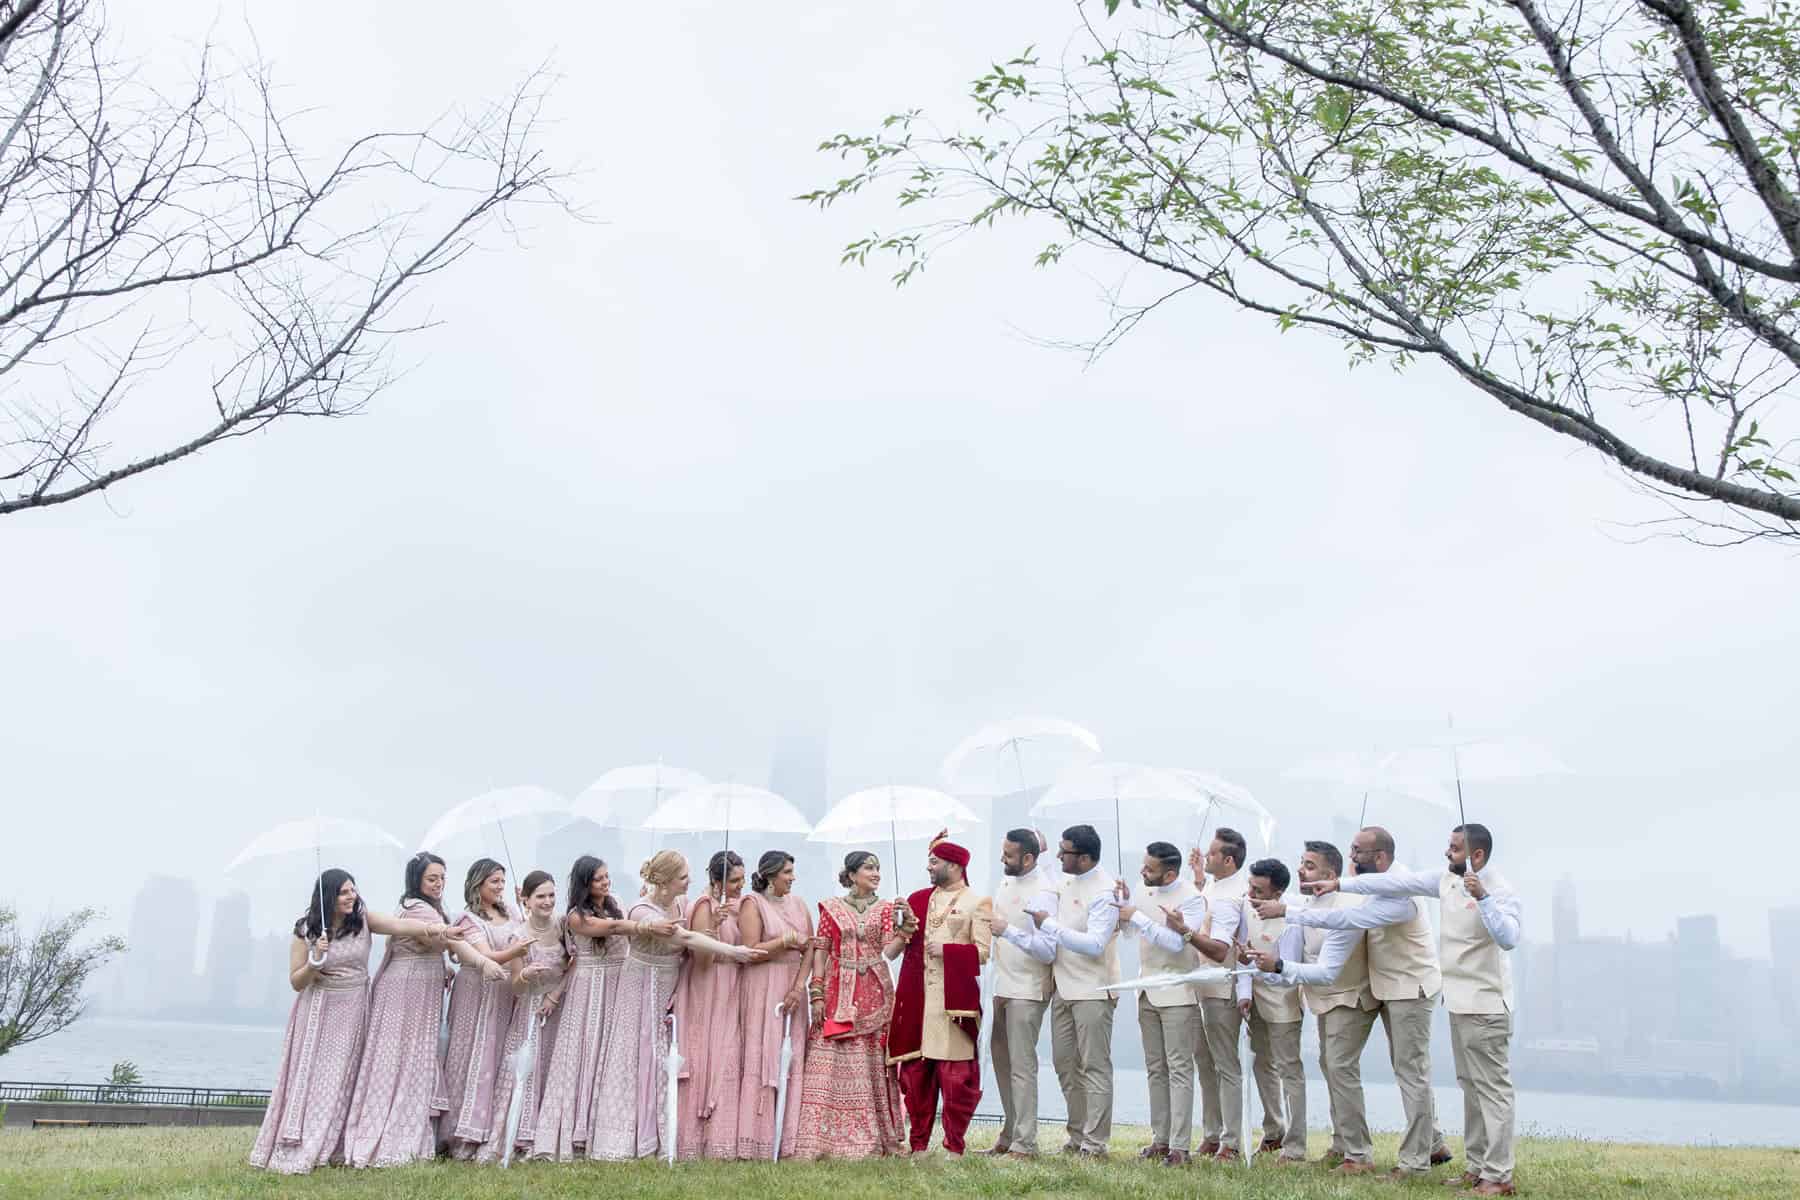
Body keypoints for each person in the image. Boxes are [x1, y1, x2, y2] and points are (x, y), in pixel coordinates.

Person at [1307, 823, 1522, 1196]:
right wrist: (1341, 885)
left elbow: (1508, 938)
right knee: (1470, 1085)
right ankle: (1476, 1166)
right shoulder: (1445, 880)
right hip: (1457, 999)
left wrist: (1484, 897)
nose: (1446, 852)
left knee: (1491, 1089)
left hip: (1486, 1003)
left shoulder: (1499, 890)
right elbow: (1388, 885)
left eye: (1454, 848)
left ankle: (1499, 1175)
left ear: (1478, 856)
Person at [1249, 825, 1451, 1179]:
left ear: (1381, 857)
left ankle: (1406, 1161)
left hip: (1408, 987)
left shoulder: (1400, 893)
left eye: (1358, 852)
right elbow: (1340, 897)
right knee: (1352, 1067)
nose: (1352, 858)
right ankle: (1425, 1144)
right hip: (1381, 987)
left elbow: (1346, 919)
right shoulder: (1371, 883)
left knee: (1407, 1072)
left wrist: (1285, 921)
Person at [250, 869, 459, 1175]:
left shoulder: (362, 919)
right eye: (344, 892)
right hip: (319, 1010)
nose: (351, 897)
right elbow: (296, 981)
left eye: (353, 891)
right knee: (315, 1078)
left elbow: (400, 925)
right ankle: (301, 1142)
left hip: (356, 1009)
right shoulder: (306, 930)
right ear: (328, 897)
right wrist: (314, 961)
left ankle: (336, 1145)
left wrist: (439, 931)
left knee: (345, 1077)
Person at [590, 850, 761, 1161]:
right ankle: (625, 1135)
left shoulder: (680, 903)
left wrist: (714, 920)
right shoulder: (644, 911)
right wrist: (735, 951)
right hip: (641, 985)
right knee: (637, 1054)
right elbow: (687, 938)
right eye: (683, 877)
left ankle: (660, 1130)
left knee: (661, 1058)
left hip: (668, 985)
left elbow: (698, 924)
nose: (689, 881)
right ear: (666, 881)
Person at [343, 851, 495, 1168]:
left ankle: (408, 1128)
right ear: (417, 881)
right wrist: (482, 961)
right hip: (407, 990)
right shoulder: (417, 908)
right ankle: (393, 1132)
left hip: (420, 987)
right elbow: (449, 942)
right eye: (431, 878)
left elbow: (439, 946)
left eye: (442, 878)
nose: (439, 884)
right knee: (403, 1057)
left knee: (415, 1056)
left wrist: (443, 965)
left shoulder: (431, 908)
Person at [790, 850, 910, 1160]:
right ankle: (821, 1139)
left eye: (878, 867)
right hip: (836, 991)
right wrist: (815, 992)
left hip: (874, 991)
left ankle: (874, 1136)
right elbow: (821, 950)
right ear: (852, 874)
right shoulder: (831, 908)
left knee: (873, 1061)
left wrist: (905, 932)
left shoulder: (886, 909)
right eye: (870, 867)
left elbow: (890, 951)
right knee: (829, 1055)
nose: (876, 873)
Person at [886, 834, 992, 1157]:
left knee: (956, 1078)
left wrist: (947, 950)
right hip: (917, 999)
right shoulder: (917, 900)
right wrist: (901, 924)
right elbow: (895, 947)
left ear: (955, 865)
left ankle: (954, 1147)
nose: (928, 867)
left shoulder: (978, 901)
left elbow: (984, 953)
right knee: (917, 1076)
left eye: (935, 862)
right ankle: (917, 1144)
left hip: (953, 1003)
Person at [1025, 823, 1120, 1158]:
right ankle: (1077, 1134)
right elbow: (1048, 865)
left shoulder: (1106, 892)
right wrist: (1045, 846)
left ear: (1085, 858)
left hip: (1094, 990)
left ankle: (1096, 1143)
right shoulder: (1066, 877)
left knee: (1095, 1065)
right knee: (1065, 1063)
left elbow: (1094, 944)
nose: (1060, 856)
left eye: (1066, 851)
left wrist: (1047, 925)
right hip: (1062, 987)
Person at [529, 856, 631, 1160]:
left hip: (617, 983)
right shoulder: (575, 916)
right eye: (599, 878)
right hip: (588, 989)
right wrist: (646, 926)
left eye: (607, 876)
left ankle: (607, 1128)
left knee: (611, 1055)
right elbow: (607, 929)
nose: (606, 882)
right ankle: (574, 1131)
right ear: (585, 883)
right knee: (583, 1054)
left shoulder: (616, 903)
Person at [1114, 841, 1205, 1166]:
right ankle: (1160, 1139)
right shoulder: (1142, 889)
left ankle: (1181, 1146)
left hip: (1178, 992)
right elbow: (1128, 933)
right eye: (1143, 865)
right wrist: (1125, 906)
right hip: (1146, 989)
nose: (1142, 872)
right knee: (1156, 1069)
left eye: (1149, 869)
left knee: (1180, 1068)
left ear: (1169, 874)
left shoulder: (1192, 898)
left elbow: (1176, 943)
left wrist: (1136, 916)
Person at [475, 869, 568, 1164]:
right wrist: (526, 974)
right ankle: (521, 1136)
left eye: (551, 895)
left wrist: (556, 994)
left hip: (560, 1008)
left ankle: (550, 1135)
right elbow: (515, 985)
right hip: (531, 1010)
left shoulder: (563, 926)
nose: (548, 901)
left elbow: (575, 963)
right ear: (525, 900)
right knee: (526, 1074)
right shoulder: (519, 936)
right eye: (540, 896)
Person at [441, 859, 531, 1160]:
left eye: (502, 881)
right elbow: (487, 955)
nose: (499, 886)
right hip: (475, 992)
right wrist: (516, 951)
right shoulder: (466, 919)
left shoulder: (511, 912)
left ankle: (495, 1126)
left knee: (497, 1056)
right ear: (478, 884)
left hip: (506, 994)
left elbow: (526, 935)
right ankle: (462, 1132)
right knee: (470, 1055)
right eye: (494, 881)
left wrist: (525, 909)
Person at [735, 849, 814, 1159]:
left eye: (793, 872)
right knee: (762, 1053)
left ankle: (788, 1138)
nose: (792, 878)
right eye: (786, 873)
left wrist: (799, 987)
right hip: (762, 984)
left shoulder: (799, 904)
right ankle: (756, 1138)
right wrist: (783, 942)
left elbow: (811, 946)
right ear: (769, 875)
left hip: (793, 984)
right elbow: (750, 949)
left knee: (792, 1054)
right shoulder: (752, 903)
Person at [982, 828, 1057, 1159]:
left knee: (1022, 1066)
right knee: (1001, 1060)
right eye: (1003, 852)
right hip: (1003, 985)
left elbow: (1047, 951)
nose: (1002, 859)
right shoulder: (1007, 880)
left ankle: (1026, 1143)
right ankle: (1010, 1132)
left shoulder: (1044, 892)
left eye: (1009, 855)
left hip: (1029, 988)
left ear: (1028, 858)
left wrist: (1006, 931)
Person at [674, 850, 749, 1161]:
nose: (740, 885)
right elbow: (700, 957)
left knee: (728, 1051)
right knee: (707, 1049)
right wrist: (712, 930)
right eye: (734, 880)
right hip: (709, 982)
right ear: (716, 880)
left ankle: (723, 1133)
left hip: (731, 983)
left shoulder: (735, 906)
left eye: (743, 879)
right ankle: (694, 1136)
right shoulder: (704, 906)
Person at [1185, 827, 1250, 1161]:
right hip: (1200, 984)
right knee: (1204, 1062)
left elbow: (1221, 949)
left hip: (1222, 986)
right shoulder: (1213, 884)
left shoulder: (1235, 893)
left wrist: (1184, 932)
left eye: (1211, 854)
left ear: (1228, 859)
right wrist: (1198, 879)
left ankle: (1232, 1140)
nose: (1205, 856)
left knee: (1226, 1064)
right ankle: (1211, 1132)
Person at [1236, 857, 1306, 1164]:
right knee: (1261, 1066)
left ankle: (1296, 1146)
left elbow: (1289, 968)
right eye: (1250, 886)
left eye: (1259, 890)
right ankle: (1273, 1130)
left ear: (1277, 895)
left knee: (1290, 1070)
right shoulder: (1245, 907)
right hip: (1255, 1000)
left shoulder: (1292, 919)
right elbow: (1242, 956)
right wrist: (1244, 992)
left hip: (1284, 1002)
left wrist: (1262, 965)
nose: (1251, 894)